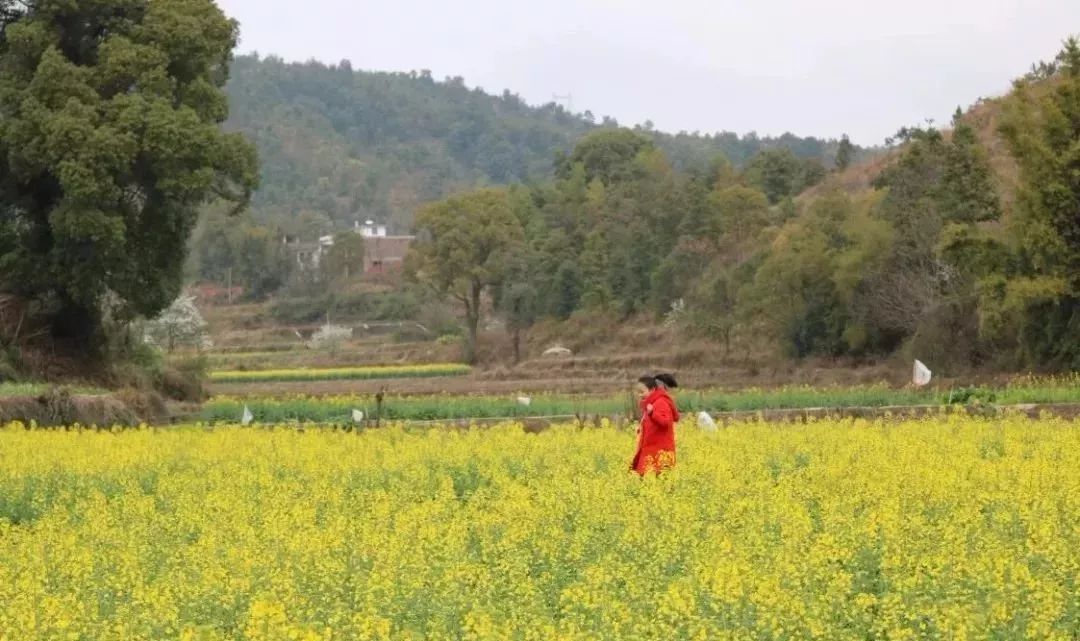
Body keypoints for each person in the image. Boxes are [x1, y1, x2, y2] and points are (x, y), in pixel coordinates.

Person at [630, 373, 680, 475]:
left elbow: (666, 422)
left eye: (642, 392)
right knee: (647, 483)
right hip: (651, 451)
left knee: (657, 483)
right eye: (638, 392)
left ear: (652, 390)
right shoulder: (651, 403)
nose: (639, 395)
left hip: (660, 452)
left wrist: (653, 413)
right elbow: (652, 423)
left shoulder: (661, 402)